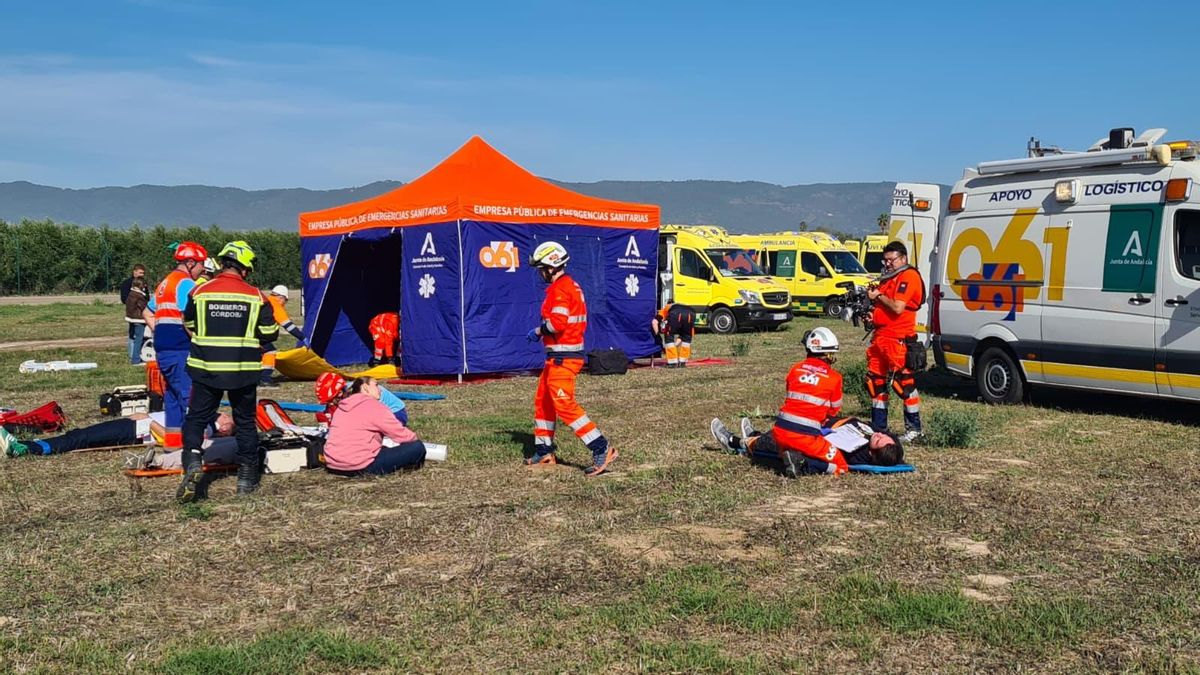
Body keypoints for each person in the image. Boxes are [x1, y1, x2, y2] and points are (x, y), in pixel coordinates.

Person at [177, 241, 279, 502]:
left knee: (196, 419)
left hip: (206, 368)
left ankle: (192, 461)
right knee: (244, 422)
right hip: (242, 370)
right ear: (245, 268)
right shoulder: (256, 296)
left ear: (222, 264)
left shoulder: (200, 292)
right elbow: (270, 333)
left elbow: (189, 323)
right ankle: (246, 478)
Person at [525, 241, 617, 476]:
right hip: (557, 357)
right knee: (543, 401)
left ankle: (601, 447)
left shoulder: (560, 289)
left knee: (564, 404)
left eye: (541, 268)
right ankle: (544, 450)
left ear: (551, 266)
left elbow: (557, 323)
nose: (540, 273)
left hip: (563, 359)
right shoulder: (569, 286)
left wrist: (538, 331)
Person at [707, 327, 850, 476]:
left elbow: (791, 395)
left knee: (778, 447)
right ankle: (802, 464)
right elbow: (834, 410)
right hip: (806, 437)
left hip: (780, 431)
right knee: (841, 466)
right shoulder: (835, 378)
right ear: (828, 355)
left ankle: (739, 441)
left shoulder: (795, 369)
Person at [143, 241, 209, 451]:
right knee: (189, 395)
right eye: (200, 264)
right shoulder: (186, 284)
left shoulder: (165, 283)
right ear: (190, 263)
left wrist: (159, 330)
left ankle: (173, 443)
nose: (203, 269)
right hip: (180, 347)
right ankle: (197, 444)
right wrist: (201, 342)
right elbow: (186, 317)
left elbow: (147, 311)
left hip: (163, 348)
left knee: (172, 396)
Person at [866, 241, 926, 442]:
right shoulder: (888, 278)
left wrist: (879, 296)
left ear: (903, 258)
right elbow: (884, 307)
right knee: (876, 383)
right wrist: (872, 316)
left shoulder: (909, 276)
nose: (888, 264)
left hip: (897, 340)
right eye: (886, 260)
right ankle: (879, 428)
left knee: (904, 383)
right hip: (880, 338)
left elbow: (898, 307)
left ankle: (914, 430)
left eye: (891, 260)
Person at [2, 412, 233, 457]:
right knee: (80, 435)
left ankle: (26, 448)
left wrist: (148, 421)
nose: (226, 415)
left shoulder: (205, 430)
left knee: (79, 439)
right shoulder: (202, 417)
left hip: (135, 431)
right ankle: (25, 445)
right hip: (134, 424)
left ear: (225, 429)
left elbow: (171, 440)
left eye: (228, 419)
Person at [323, 376, 426, 476]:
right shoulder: (375, 406)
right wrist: (414, 440)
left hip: (333, 464)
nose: (380, 390)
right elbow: (401, 435)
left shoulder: (340, 408)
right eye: (376, 385)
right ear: (365, 387)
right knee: (417, 447)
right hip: (360, 466)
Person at [316, 371, 407, 425]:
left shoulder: (359, 393)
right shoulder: (343, 395)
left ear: (340, 393)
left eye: (331, 401)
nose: (330, 404)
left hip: (395, 413)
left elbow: (365, 416)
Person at [259, 285, 307, 387]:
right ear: (281, 298)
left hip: (249, 334)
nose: (284, 304)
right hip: (259, 336)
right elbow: (288, 326)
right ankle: (265, 379)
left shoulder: (266, 300)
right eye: (285, 301)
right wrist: (302, 337)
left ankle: (256, 377)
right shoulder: (275, 305)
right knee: (269, 352)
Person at [653, 302, 696, 368]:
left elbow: (654, 322)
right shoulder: (684, 306)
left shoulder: (665, 308)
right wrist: (675, 345)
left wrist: (657, 335)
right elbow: (683, 336)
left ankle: (672, 363)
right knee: (687, 337)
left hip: (675, 313)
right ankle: (682, 362)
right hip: (692, 313)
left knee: (669, 336)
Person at [125, 277, 149, 365]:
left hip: (131, 318)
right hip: (139, 320)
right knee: (139, 339)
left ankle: (134, 357)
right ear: (140, 285)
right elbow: (144, 307)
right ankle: (136, 359)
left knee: (133, 338)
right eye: (144, 285)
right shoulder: (139, 296)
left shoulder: (131, 294)